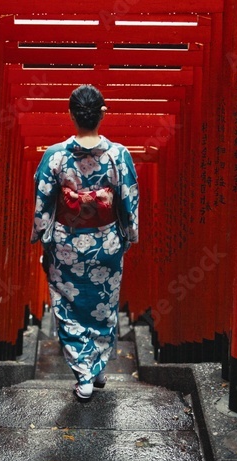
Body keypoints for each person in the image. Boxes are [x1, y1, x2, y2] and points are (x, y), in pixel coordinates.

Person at [30, 84, 139, 401]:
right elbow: (129, 199)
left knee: (69, 308)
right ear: (102, 113)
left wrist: (41, 235)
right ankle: (98, 368)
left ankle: (84, 376)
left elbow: (43, 201)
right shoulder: (118, 155)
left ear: (71, 114)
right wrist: (129, 235)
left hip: (66, 245)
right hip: (107, 243)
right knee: (103, 306)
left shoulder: (55, 156)